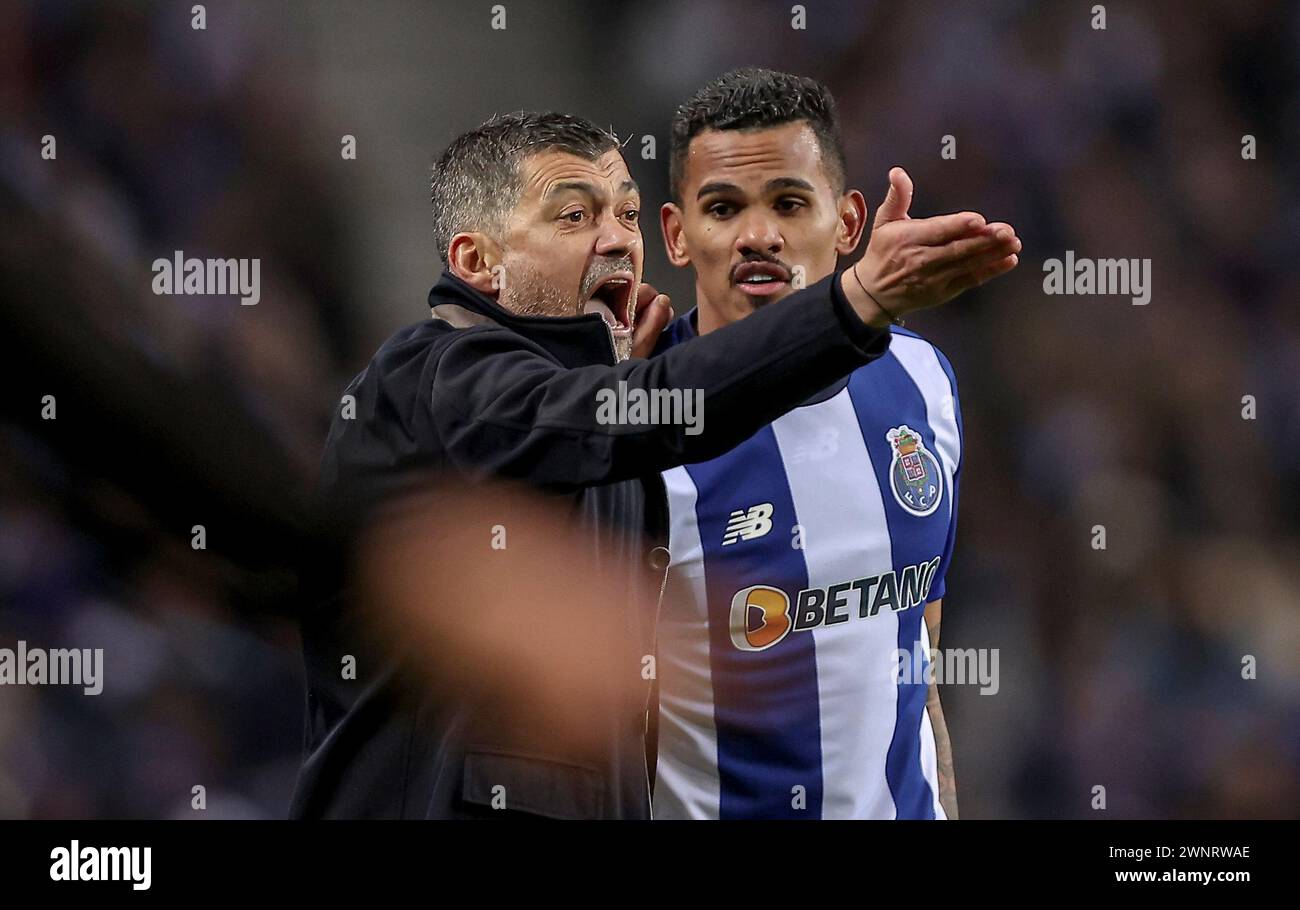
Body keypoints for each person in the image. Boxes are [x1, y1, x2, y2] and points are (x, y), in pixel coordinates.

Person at [289, 109, 1014, 819]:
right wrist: (854, 303)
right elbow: (630, 414)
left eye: (628, 215)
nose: (617, 242)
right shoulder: (432, 382)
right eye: (574, 217)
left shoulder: (600, 424)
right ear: (478, 262)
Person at [650, 69, 1020, 819]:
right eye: (723, 208)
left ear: (849, 224)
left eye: (789, 202)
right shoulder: (637, 436)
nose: (759, 236)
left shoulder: (923, 381)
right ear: (677, 235)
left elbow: (916, 659)